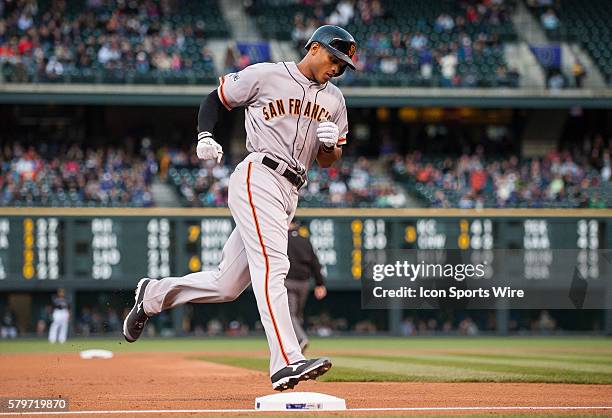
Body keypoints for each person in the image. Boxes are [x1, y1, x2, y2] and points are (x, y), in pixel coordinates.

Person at [123, 25, 357, 391]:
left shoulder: (336, 102)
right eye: (334, 59)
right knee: (275, 266)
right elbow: (216, 99)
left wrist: (330, 147)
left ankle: (152, 296)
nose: (337, 69)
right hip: (259, 174)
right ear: (313, 48)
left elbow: (329, 161)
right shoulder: (266, 74)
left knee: (226, 284)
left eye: (343, 66)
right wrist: (204, 135)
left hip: (291, 190)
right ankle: (287, 361)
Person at [285, 220, 327, 353]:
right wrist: (320, 283)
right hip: (304, 283)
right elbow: (315, 263)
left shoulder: (282, 239)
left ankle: (301, 339)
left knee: (290, 315)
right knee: (297, 315)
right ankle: (296, 346)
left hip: (288, 281)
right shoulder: (305, 240)